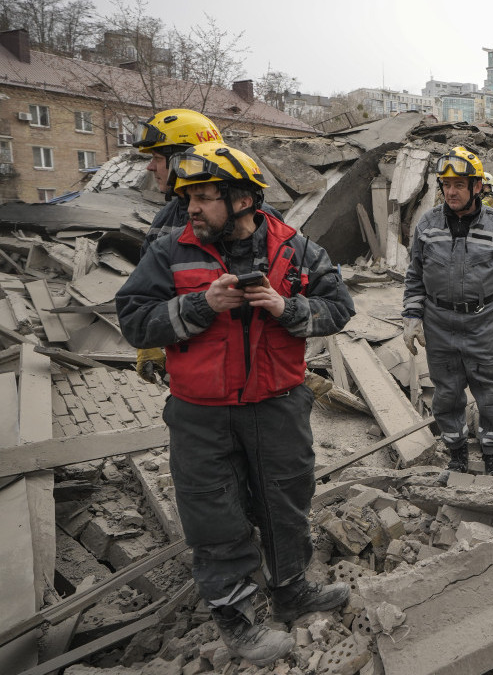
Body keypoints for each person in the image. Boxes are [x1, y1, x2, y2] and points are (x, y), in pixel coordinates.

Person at [115, 143, 355, 666]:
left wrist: (287, 308)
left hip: (278, 406)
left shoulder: (295, 248)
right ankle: (238, 620)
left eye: (204, 197)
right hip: (201, 413)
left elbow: (340, 307)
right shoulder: (170, 250)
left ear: (243, 199)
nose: (192, 208)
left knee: (286, 502)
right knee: (214, 515)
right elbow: (132, 320)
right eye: (189, 198)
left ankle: (291, 590)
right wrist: (200, 304)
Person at [402, 145, 493, 475]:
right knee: (446, 394)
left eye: (459, 185)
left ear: (477, 186)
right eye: (446, 185)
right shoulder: (427, 224)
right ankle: (456, 453)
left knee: (490, 394)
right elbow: (415, 275)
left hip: (484, 323)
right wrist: (412, 315)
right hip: (439, 324)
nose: (451, 192)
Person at [132, 109, 224, 385]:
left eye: (157, 158)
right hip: (191, 373)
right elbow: (146, 291)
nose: (150, 167)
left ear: (184, 160)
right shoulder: (165, 219)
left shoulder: (249, 218)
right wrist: (148, 342)